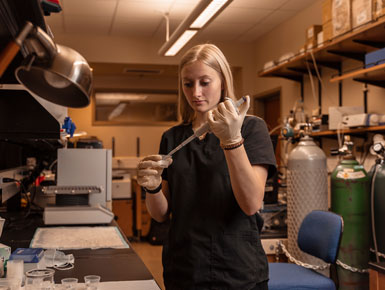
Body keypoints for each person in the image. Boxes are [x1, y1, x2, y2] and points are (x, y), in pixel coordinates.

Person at [137, 44, 276, 290]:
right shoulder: (172, 137)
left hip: (237, 270)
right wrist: (153, 188)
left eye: (205, 82)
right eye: (188, 83)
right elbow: (160, 214)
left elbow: (251, 203)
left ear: (222, 81)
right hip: (184, 267)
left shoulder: (251, 129)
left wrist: (232, 141)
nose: (196, 92)